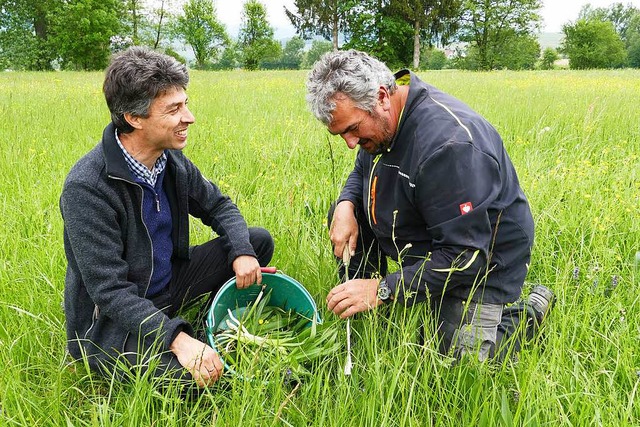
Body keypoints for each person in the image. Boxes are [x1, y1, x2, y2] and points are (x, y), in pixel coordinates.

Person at [306, 49, 553, 361]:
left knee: (454, 366)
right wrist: (344, 205)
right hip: (433, 232)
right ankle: (366, 320)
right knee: (348, 211)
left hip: (483, 258)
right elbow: (362, 168)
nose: (351, 143)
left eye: (352, 129)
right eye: (340, 134)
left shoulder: (449, 147)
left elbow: (466, 255)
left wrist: (382, 290)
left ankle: (527, 314)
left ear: (382, 97)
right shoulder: (382, 120)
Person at [60, 46, 274, 388]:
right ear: (134, 117)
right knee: (204, 381)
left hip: (167, 286)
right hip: (111, 321)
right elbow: (110, 291)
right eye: (174, 109)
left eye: (185, 104)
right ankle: (181, 339)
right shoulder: (88, 187)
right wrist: (178, 339)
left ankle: (205, 322)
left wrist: (243, 253)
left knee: (255, 241)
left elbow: (218, 206)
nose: (189, 117)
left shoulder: (169, 161)